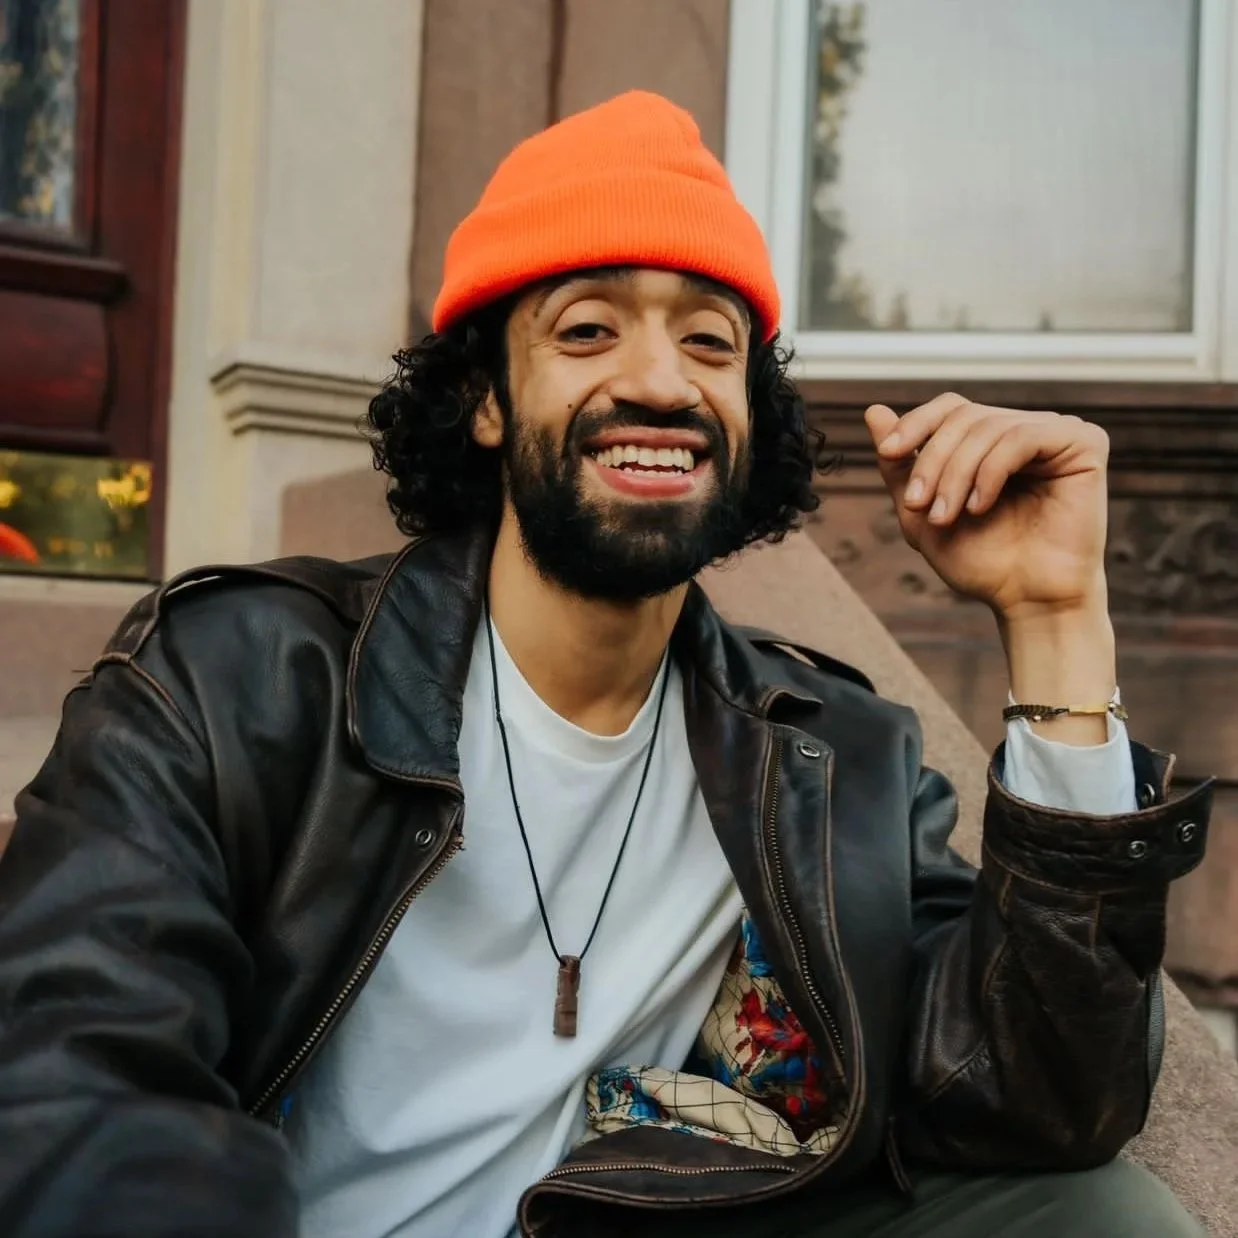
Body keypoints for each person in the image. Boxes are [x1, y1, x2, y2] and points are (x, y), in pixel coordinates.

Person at [0, 91, 1213, 1238]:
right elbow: (85, 1080)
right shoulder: (240, 679)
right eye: (587, 328)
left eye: (709, 337)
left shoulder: (828, 755)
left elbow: (1035, 1100)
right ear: (485, 397)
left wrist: (1055, 618)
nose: (657, 380)